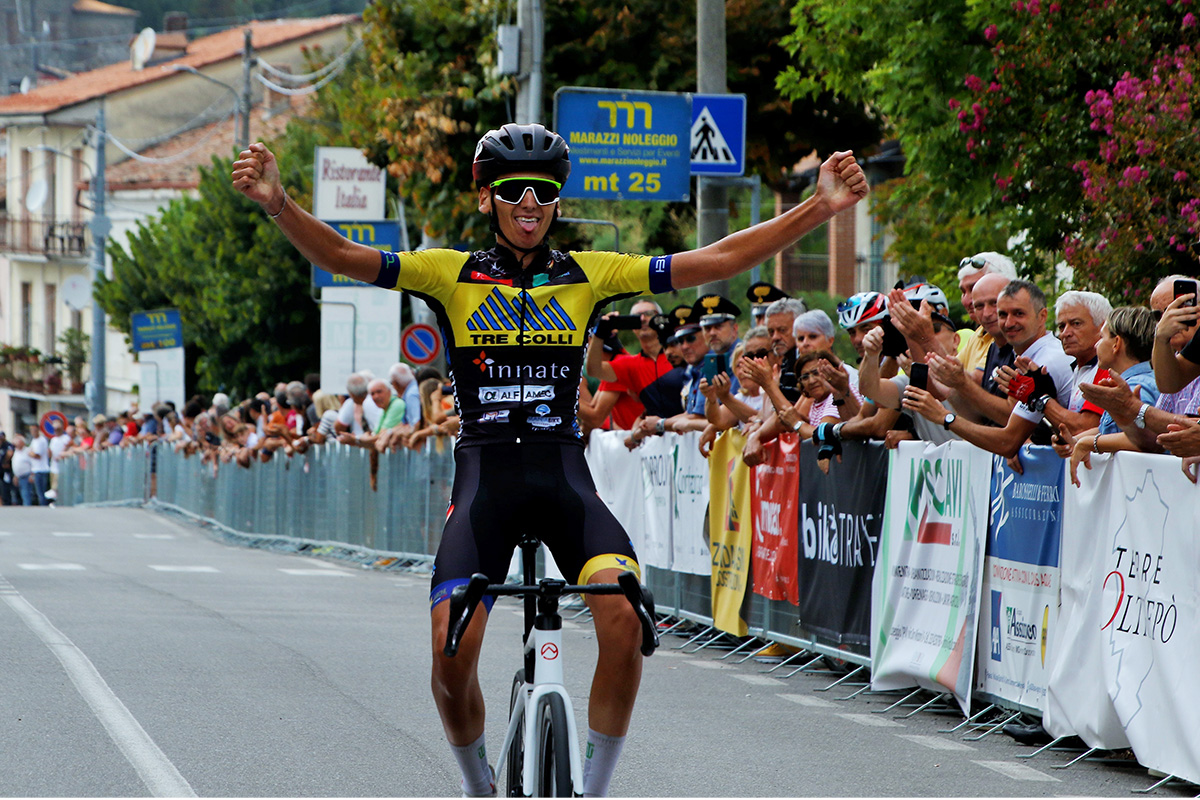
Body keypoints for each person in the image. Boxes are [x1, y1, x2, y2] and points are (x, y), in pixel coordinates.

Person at [232, 121, 867, 797]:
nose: (529, 201)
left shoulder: (591, 273)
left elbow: (716, 261)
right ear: (486, 198)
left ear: (559, 198)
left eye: (544, 189)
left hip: (566, 480)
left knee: (624, 618)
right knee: (452, 650)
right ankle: (479, 785)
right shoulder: (450, 273)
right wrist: (280, 204)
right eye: (512, 189)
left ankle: (590, 790)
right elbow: (344, 255)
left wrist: (819, 207)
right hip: (487, 483)